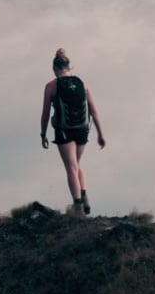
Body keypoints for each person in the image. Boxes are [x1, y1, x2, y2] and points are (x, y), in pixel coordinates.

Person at [39, 48, 106, 215]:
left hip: (64, 130)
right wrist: (100, 134)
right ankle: (84, 196)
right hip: (82, 130)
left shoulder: (51, 86)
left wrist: (43, 134)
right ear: (69, 67)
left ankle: (78, 207)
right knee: (76, 165)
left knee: (71, 168)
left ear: (55, 69)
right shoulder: (83, 84)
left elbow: (45, 113)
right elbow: (94, 111)